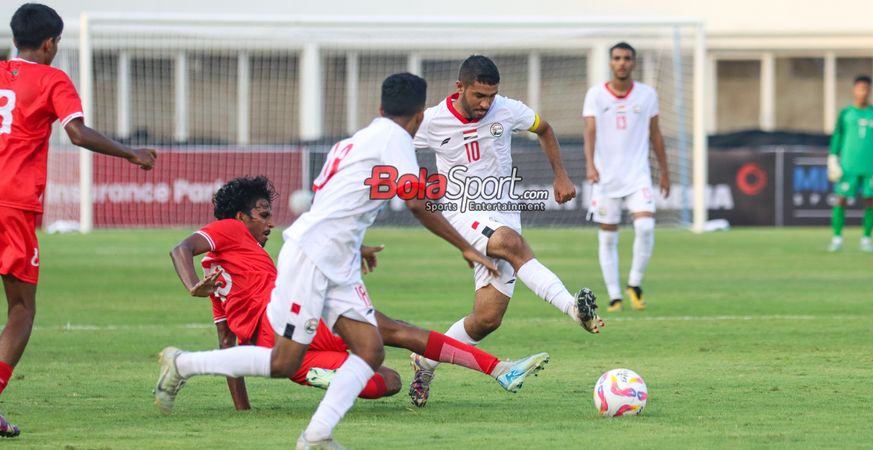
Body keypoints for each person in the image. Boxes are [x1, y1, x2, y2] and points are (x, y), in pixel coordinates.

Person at [155, 72, 511, 450]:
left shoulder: (356, 141)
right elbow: (415, 201)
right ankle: (184, 364)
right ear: (421, 115)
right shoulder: (395, 139)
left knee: (370, 350)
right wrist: (465, 246)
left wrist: (353, 246)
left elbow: (332, 205)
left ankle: (317, 435)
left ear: (379, 107)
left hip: (331, 259)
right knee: (284, 363)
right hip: (313, 258)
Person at [168, 176, 550, 410]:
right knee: (394, 330)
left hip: (285, 350)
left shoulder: (218, 274)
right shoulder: (229, 231)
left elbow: (227, 343)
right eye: (264, 214)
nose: (270, 222)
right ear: (240, 217)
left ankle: (325, 378)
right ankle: (498, 368)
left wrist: (243, 411)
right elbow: (180, 248)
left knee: (388, 382)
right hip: (292, 318)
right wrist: (189, 287)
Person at [408, 55, 604, 408]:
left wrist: (560, 174)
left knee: (486, 319)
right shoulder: (432, 121)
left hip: (504, 213)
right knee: (512, 244)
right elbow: (397, 140)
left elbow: (543, 128)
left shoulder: (506, 109)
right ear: (460, 88)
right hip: (461, 212)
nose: (486, 104)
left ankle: (426, 362)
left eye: (491, 96)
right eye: (479, 96)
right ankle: (573, 308)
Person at [0, 3, 157, 437]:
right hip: (12, 205)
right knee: (20, 310)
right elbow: (76, 132)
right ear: (50, 43)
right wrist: (131, 153)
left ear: (15, 39)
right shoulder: (53, 78)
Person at [582, 42, 670, 313]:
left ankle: (635, 283)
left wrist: (664, 171)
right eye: (617, 58)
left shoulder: (646, 95)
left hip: (637, 176)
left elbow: (655, 134)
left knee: (645, 227)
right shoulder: (596, 95)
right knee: (608, 238)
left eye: (627, 58)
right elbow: (590, 132)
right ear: (611, 63)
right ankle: (614, 295)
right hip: (606, 179)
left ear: (633, 63)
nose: (622, 62)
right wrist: (590, 166)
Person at [827, 75, 873, 252]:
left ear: (870, 91)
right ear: (854, 90)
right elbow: (838, 135)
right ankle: (837, 237)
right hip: (849, 165)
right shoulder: (846, 113)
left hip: (870, 165)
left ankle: (867, 239)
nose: (863, 92)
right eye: (860, 88)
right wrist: (833, 157)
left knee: (870, 200)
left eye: (866, 88)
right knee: (841, 198)